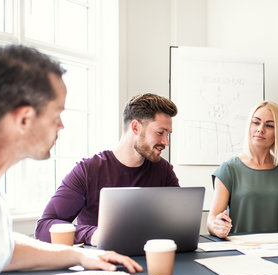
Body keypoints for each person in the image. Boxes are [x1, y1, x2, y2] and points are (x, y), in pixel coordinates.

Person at [0, 44, 173, 275]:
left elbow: (2, 247)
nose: (62, 126)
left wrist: (81, 257)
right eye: (57, 115)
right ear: (25, 118)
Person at [35, 93, 179, 246]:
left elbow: (179, 220)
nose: (166, 142)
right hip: (103, 262)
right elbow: (44, 227)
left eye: (168, 134)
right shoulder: (87, 170)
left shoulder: (163, 170)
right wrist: (92, 234)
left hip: (152, 257)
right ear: (136, 127)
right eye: (160, 133)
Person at [207, 100, 278, 238]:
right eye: (256, 122)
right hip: (242, 252)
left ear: (277, 133)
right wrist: (217, 226)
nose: (261, 129)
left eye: (269, 125)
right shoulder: (229, 169)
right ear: (249, 126)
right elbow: (211, 220)